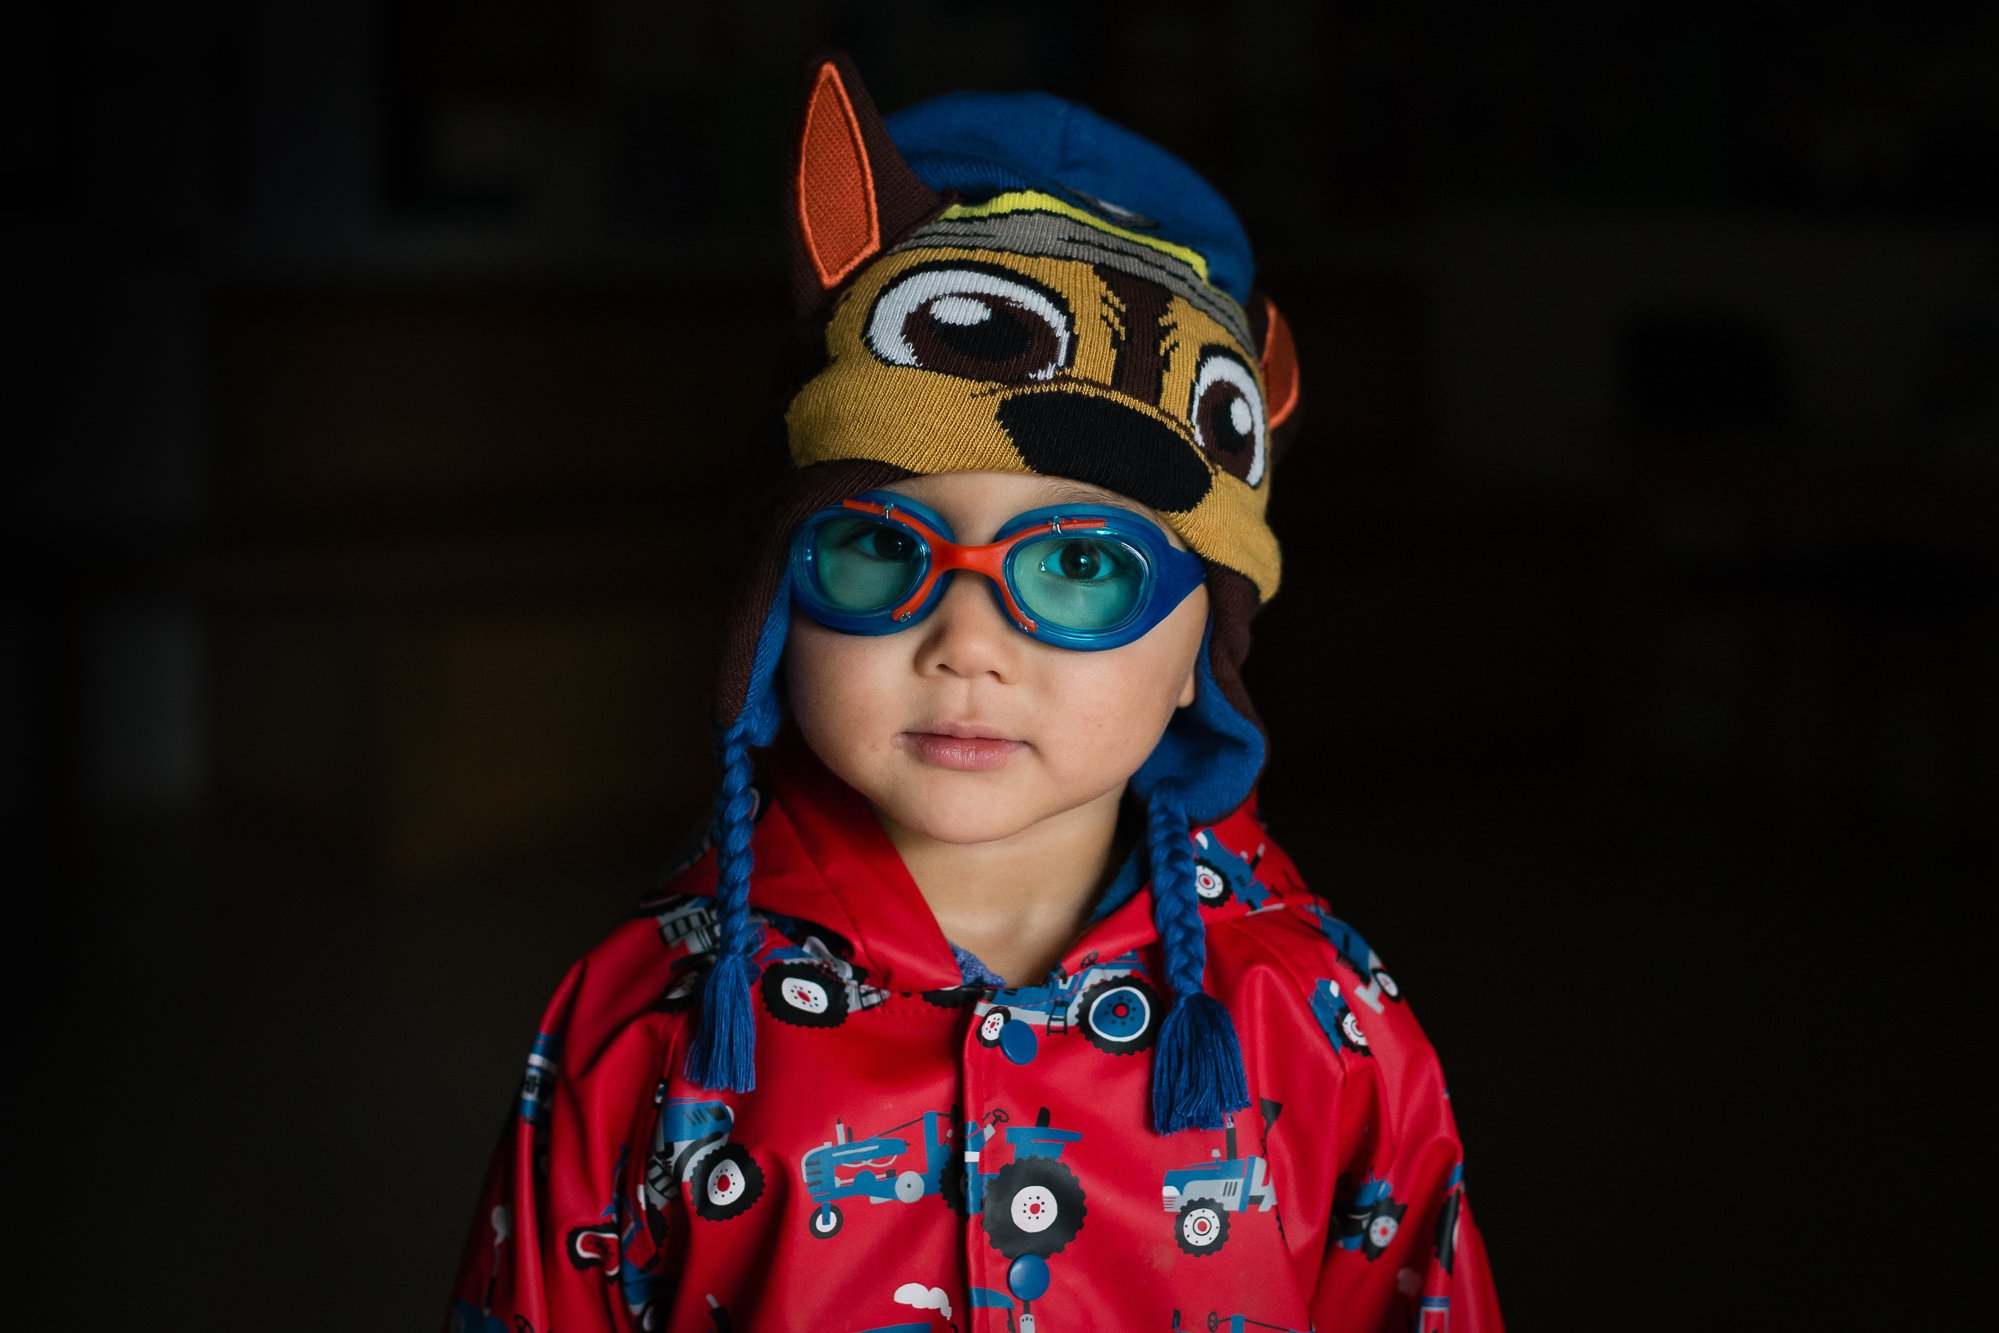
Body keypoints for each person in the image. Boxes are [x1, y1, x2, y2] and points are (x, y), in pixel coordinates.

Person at [445, 46, 1502, 1333]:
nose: (966, 641)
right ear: (779, 601)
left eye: (1075, 567)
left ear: (1197, 658)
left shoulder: (1320, 1026)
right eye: (883, 548)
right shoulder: (647, 1023)